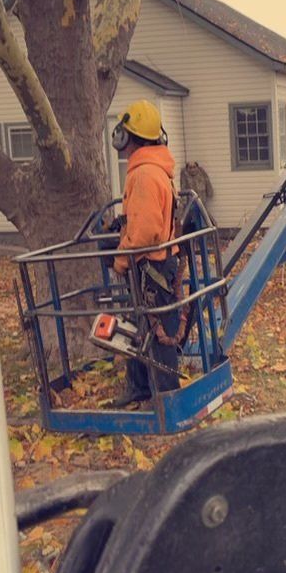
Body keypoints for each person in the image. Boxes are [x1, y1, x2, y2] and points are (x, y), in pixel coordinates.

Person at [111, 100, 180, 408]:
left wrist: (121, 260)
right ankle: (141, 388)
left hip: (149, 267)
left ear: (127, 138)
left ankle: (166, 397)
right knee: (140, 328)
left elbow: (146, 232)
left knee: (157, 332)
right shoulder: (156, 170)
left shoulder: (143, 175)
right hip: (158, 265)